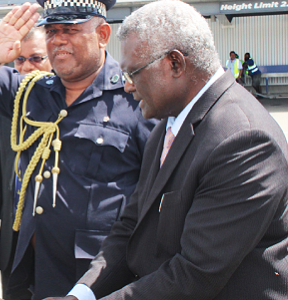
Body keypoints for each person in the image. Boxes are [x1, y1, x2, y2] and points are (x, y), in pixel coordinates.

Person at [47, 1, 288, 299]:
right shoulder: (168, 123)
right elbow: (131, 227)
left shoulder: (243, 140)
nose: (128, 87)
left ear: (174, 63)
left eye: (133, 73)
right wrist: (81, 294)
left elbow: (195, 274)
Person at [0, 1, 156, 299]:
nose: (58, 39)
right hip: (29, 267)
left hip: (96, 275)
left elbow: (158, 193)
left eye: (71, 30)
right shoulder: (31, 91)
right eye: (51, 31)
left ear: (102, 34)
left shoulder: (136, 98)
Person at [0, 27, 51, 300]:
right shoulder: (6, 106)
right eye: (19, 60)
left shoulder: (72, 105)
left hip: (57, 245)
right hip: (13, 244)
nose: (27, 67)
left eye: (36, 58)